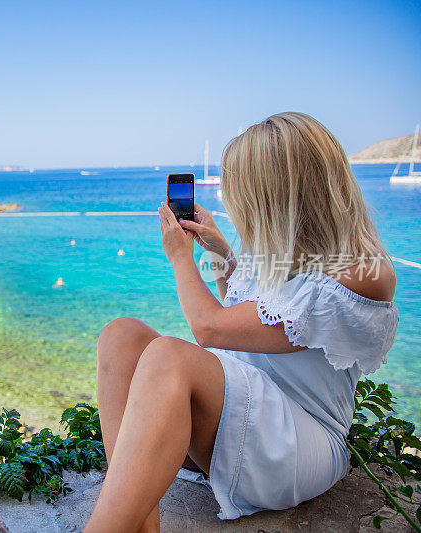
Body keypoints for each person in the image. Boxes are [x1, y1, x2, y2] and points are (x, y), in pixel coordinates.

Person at [85, 112, 399, 532]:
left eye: (244, 191)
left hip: (296, 440)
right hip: (238, 417)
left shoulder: (362, 271)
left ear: (279, 193)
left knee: (168, 357)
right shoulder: (283, 252)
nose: (235, 203)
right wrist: (219, 251)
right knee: (121, 335)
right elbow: (247, 313)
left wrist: (180, 258)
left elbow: (210, 328)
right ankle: (135, 520)